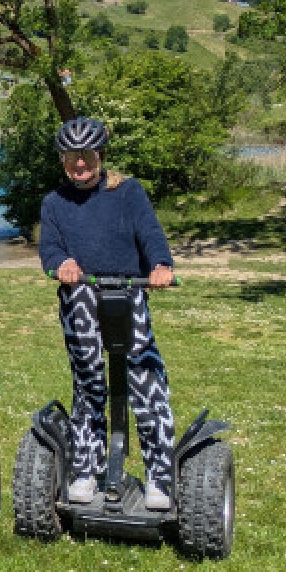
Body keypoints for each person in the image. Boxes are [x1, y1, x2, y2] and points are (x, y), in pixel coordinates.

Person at [38, 116, 177, 511]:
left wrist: (160, 266)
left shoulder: (128, 192)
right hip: (80, 297)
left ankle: (159, 477)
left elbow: (150, 234)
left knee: (145, 380)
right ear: (63, 161)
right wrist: (61, 263)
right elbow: (49, 248)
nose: (79, 165)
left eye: (85, 156)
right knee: (89, 382)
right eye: (71, 159)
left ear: (99, 155)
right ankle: (86, 469)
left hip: (127, 294)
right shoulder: (54, 202)